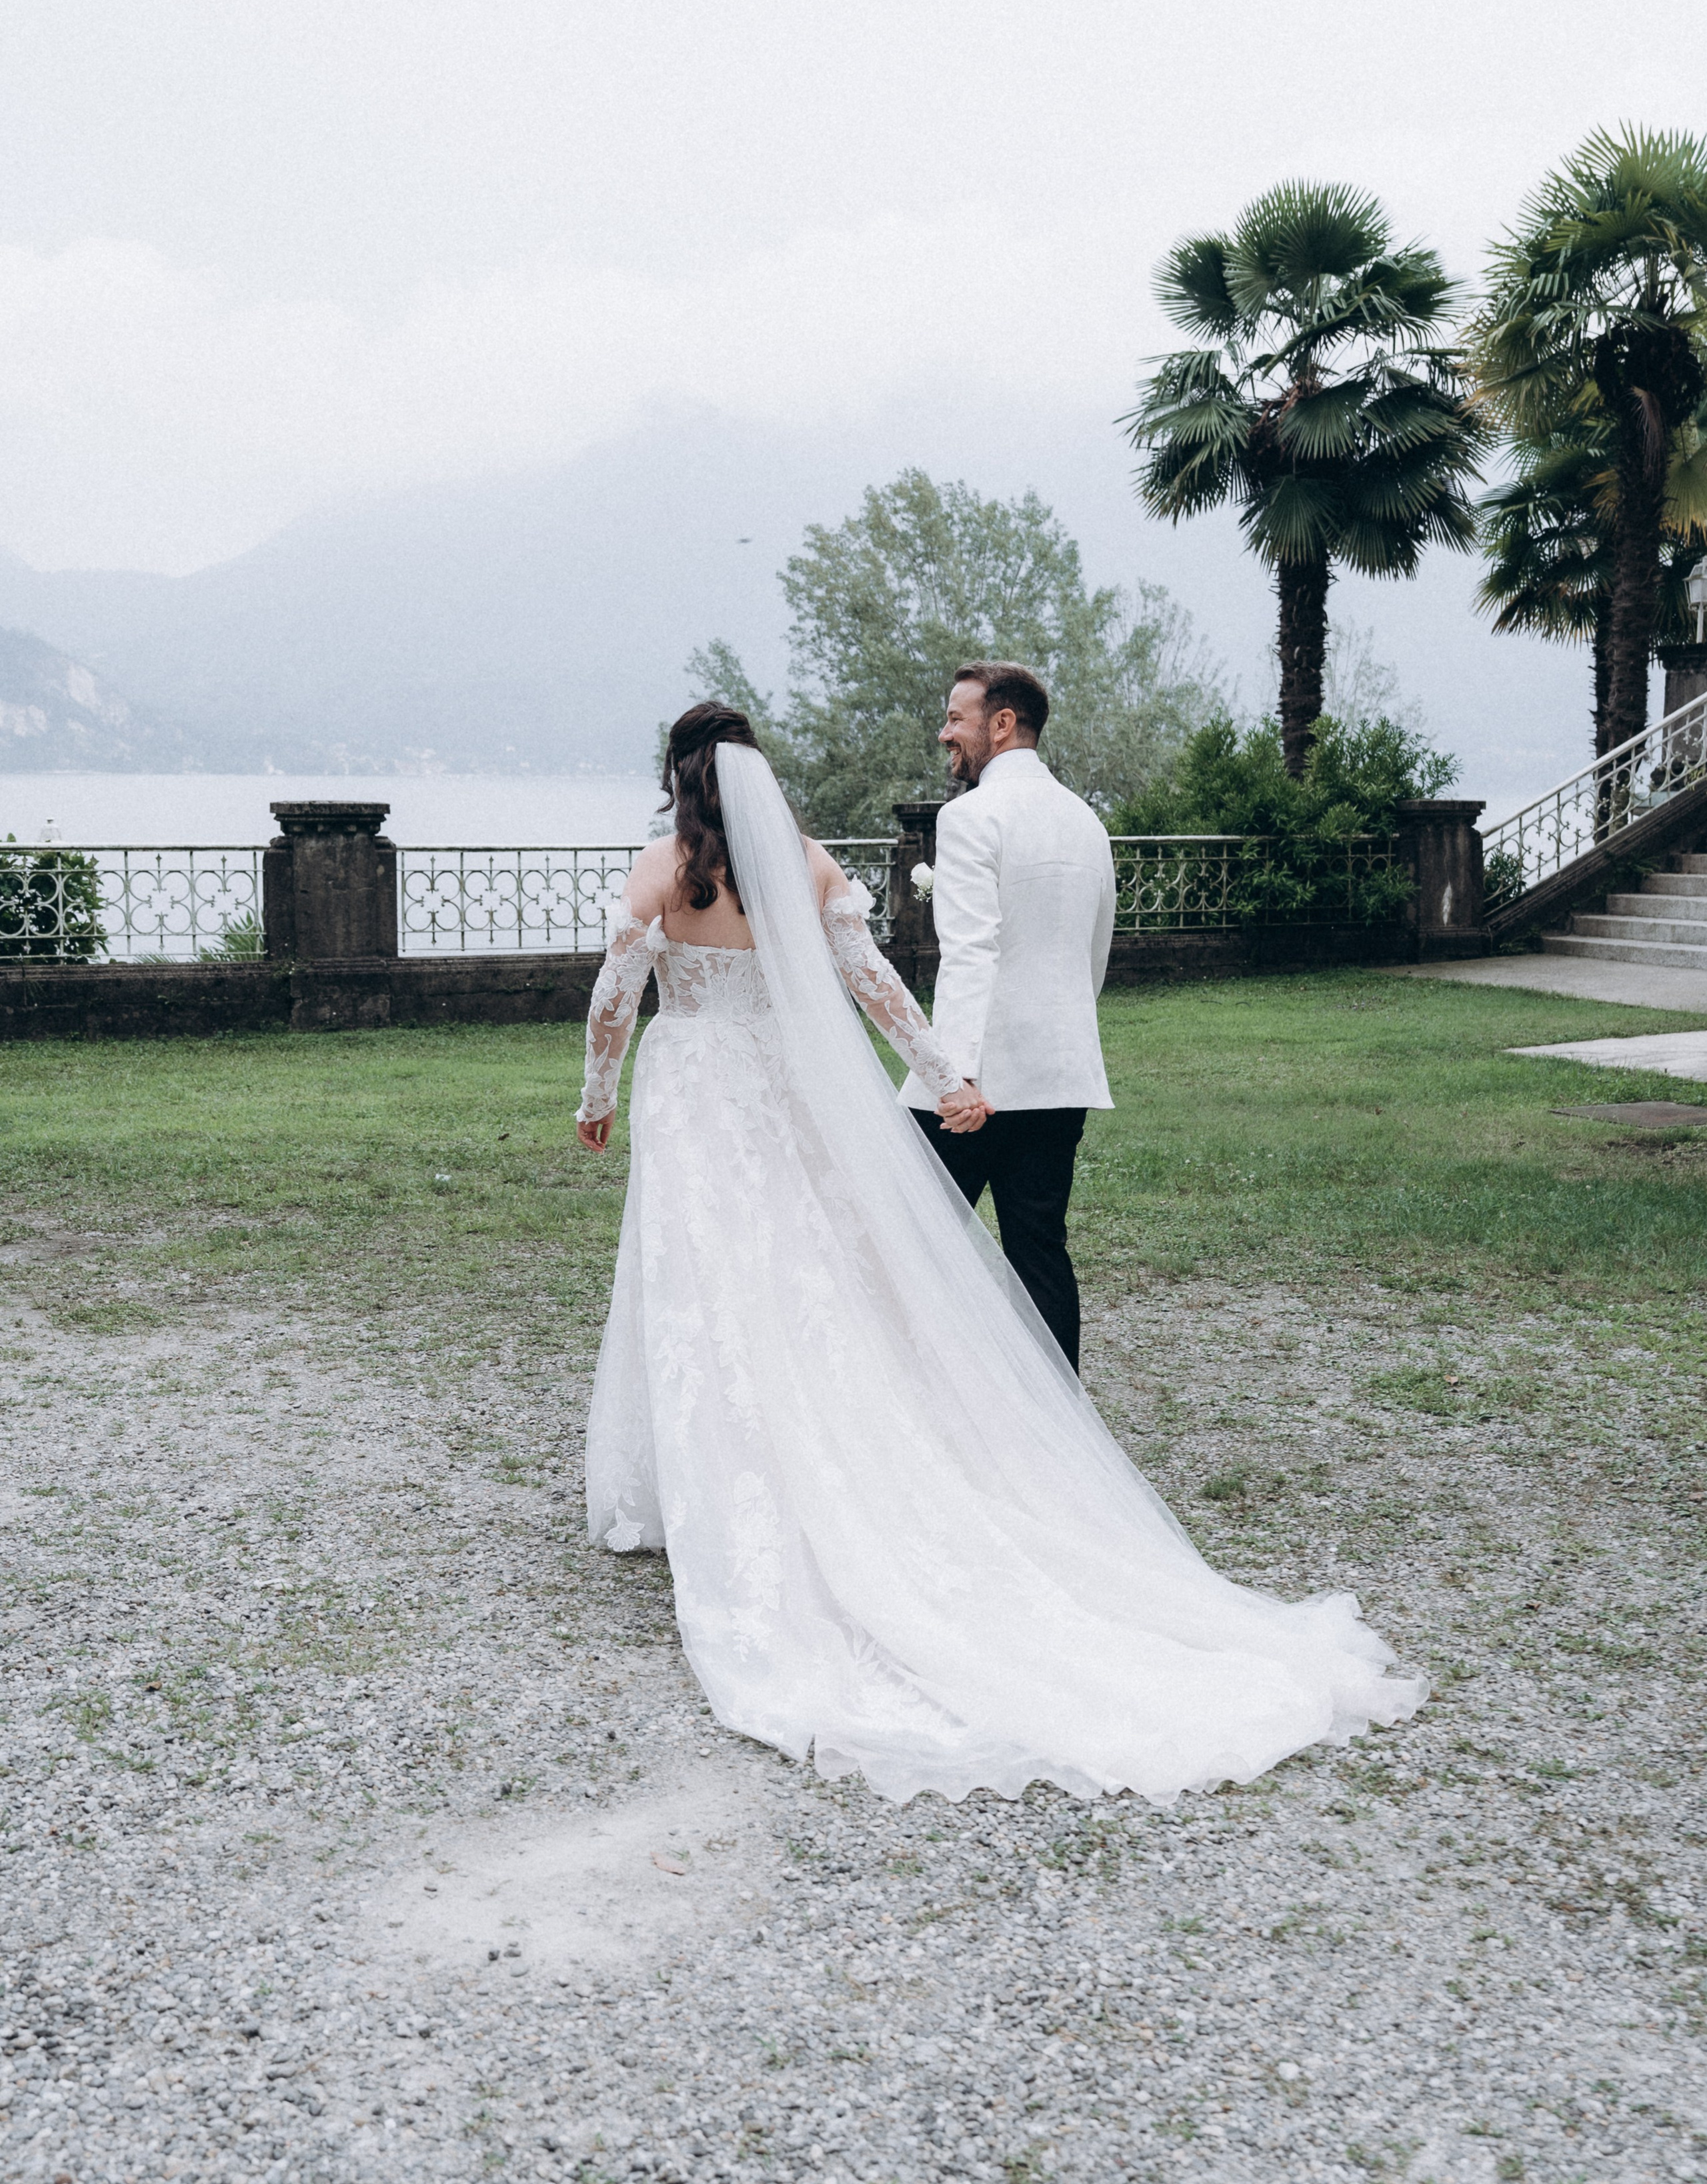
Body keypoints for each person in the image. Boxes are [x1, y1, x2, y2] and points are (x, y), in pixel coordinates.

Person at [574, 701, 1424, 1807]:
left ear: (678, 774)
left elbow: (613, 1003)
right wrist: (944, 1073)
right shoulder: (810, 865)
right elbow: (877, 987)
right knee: (807, 1284)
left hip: (696, 1093)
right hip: (786, 1094)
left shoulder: (661, 869)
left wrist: (595, 1098)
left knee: (707, 1288)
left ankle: (724, 1494)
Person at [902, 662, 1114, 1373]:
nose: (944, 733)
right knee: (1038, 1248)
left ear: (1001, 724)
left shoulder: (968, 817)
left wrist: (951, 1076)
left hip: (978, 1085)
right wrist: (1065, 1040)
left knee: (912, 1240)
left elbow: (969, 952)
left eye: (955, 719)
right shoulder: (1086, 820)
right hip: (1061, 1073)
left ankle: (919, 1400)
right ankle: (1062, 1426)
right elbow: (1094, 954)